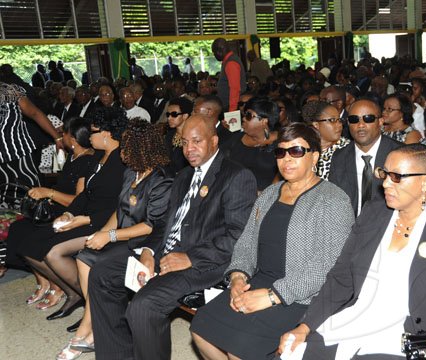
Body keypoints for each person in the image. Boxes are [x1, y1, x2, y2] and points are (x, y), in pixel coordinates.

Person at [279, 144, 426, 360]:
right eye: (384, 174)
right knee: (291, 351)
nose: (386, 183)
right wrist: (305, 326)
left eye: (396, 177)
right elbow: (341, 278)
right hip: (354, 322)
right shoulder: (373, 214)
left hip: (409, 336)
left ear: (425, 181)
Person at [88, 115, 257, 360]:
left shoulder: (236, 176)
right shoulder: (184, 176)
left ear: (214, 140)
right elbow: (165, 224)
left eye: (197, 141)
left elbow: (238, 237)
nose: (189, 149)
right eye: (185, 142)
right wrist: (149, 253)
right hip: (166, 253)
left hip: (204, 263)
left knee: (143, 307)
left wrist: (189, 257)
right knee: (101, 273)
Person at [191, 123, 354, 359]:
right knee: (201, 328)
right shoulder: (269, 193)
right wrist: (238, 278)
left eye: (296, 151)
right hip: (258, 281)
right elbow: (247, 242)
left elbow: (325, 268)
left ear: (315, 156)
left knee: (241, 348)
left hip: (301, 296)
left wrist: (272, 296)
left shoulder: (334, 200)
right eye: (281, 152)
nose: (287, 159)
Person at [56, 119, 173, 360]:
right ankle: (97, 324)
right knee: (84, 256)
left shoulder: (161, 181)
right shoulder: (132, 172)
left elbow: (151, 226)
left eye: (128, 148)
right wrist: (101, 235)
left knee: (99, 266)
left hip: (144, 243)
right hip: (122, 236)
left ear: (142, 148)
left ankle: (88, 331)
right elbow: (119, 211)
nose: (123, 152)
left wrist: (110, 236)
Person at [15, 107, 127, 321]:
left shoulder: (122, 161)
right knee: (28, 245)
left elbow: (120, 205)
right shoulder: (99, 157)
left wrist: (83, 220)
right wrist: (68, 214)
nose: (89, 136)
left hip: (105, 223)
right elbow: (85, 195)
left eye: (93, 131)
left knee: (53, 253)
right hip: (83, 216)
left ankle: (92, 301)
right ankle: (74, 292)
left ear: (107, 133)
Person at [5, 117, 96, 302]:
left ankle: (59, 286)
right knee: (16, 230)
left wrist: (49, 193)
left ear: (74, 139)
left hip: (72, 214)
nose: (61, 136)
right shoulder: (73, 157)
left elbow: (79, 202)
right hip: (56, 210)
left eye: (64, 133)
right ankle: (45, 281)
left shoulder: (88, 161)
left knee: (29, 239)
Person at [329, 99, 401, 216]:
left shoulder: (400, 155)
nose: (360, 125)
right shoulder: (339, 158)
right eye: (354, 119)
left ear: (380, 121)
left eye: (368, 118)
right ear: (348, 123)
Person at [0, 82, 63, 197]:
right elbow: (35, 113)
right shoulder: (10, 90)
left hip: (17, 153)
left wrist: (57, 137)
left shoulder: (10, 91)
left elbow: (35, 113)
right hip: (14, 155)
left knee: (30, 196)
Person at [221, 97, 278, 192]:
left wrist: (266, 196)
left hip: (264, 199)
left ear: (264, 121)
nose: (243, 118)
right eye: (244, 114)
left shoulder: (282, 143)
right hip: (234, 193)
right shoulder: (236, 139)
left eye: (248, 115)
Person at [302, 100, 350, 180]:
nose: (339, 125)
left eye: (340, 120)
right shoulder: (302, 148)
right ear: (316, 125)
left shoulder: (347, 149)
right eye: (332, 120)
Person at [212, 38, 246, 112]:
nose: (214, 55)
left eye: (214, 53)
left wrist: (232, 111)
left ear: (219, 51)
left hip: (231, 107)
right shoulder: (228, 61)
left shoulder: (231, 63)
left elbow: (235, 89)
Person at [165, 97, 193, 173]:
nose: (169, 118)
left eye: (174, 114)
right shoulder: (169, 135)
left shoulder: (192, 137)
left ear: (185, 116)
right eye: (168, 114)